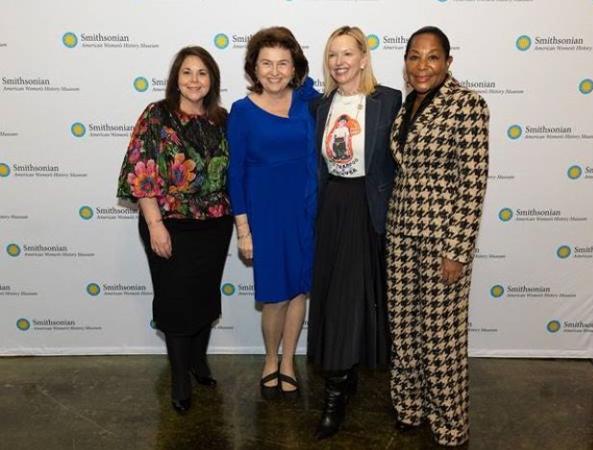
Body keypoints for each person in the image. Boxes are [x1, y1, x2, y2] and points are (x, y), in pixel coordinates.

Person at [386, 26, 489, 446]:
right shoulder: (407, 103)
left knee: (441, 334)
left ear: (448, 62)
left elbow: (473, 183)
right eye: (414, 56)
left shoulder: (468, 105)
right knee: (403, 326)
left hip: (441, 239)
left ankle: (450, 423)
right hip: (400, 231)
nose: (422, 65)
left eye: (432, 57)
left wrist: (457, 250)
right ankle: (411, 407)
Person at [116, 46, 232, 413]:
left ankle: (198, 361)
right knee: (176, 301)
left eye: (202, 73)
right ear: (176, 78)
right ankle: (180, 376)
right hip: (168, 223)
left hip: (215, 224)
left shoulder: (222, 119)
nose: (194, 80)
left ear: (212, 79)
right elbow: (140, 170)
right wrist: (155, 225)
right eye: (187, 72)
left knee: (204, 297)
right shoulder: (158, 115)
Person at [307, 26, 402, 439]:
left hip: (371, 209)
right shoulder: (319, 105)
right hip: (333, 208)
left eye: (348, 53)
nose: (340, 61)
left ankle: (341, 385)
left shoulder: (389, 101)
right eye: (332, 55)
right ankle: (337, 388)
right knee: (337, 300)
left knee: (362, 299)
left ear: (364, 58)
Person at [227, 27, 318, 399]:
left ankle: (289, 362)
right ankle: (269, 359)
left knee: (299, 291)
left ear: (294, 65)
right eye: (266, 63)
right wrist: (243, 230)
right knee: (276, 295)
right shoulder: (242, 111)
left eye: (283, 62)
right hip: (265, 216)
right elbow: (236, 173)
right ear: (254, 67)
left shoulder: (309, 100)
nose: (275, 71)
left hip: (308, 210)